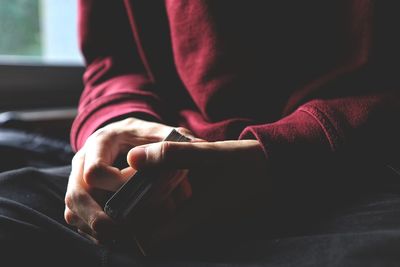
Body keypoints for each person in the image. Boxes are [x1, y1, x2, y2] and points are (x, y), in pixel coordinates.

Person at [1, 0, 400, 266]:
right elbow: (114, 61)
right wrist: (113, 124)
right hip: (168, 178)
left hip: (358, 170)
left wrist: (286, 153)